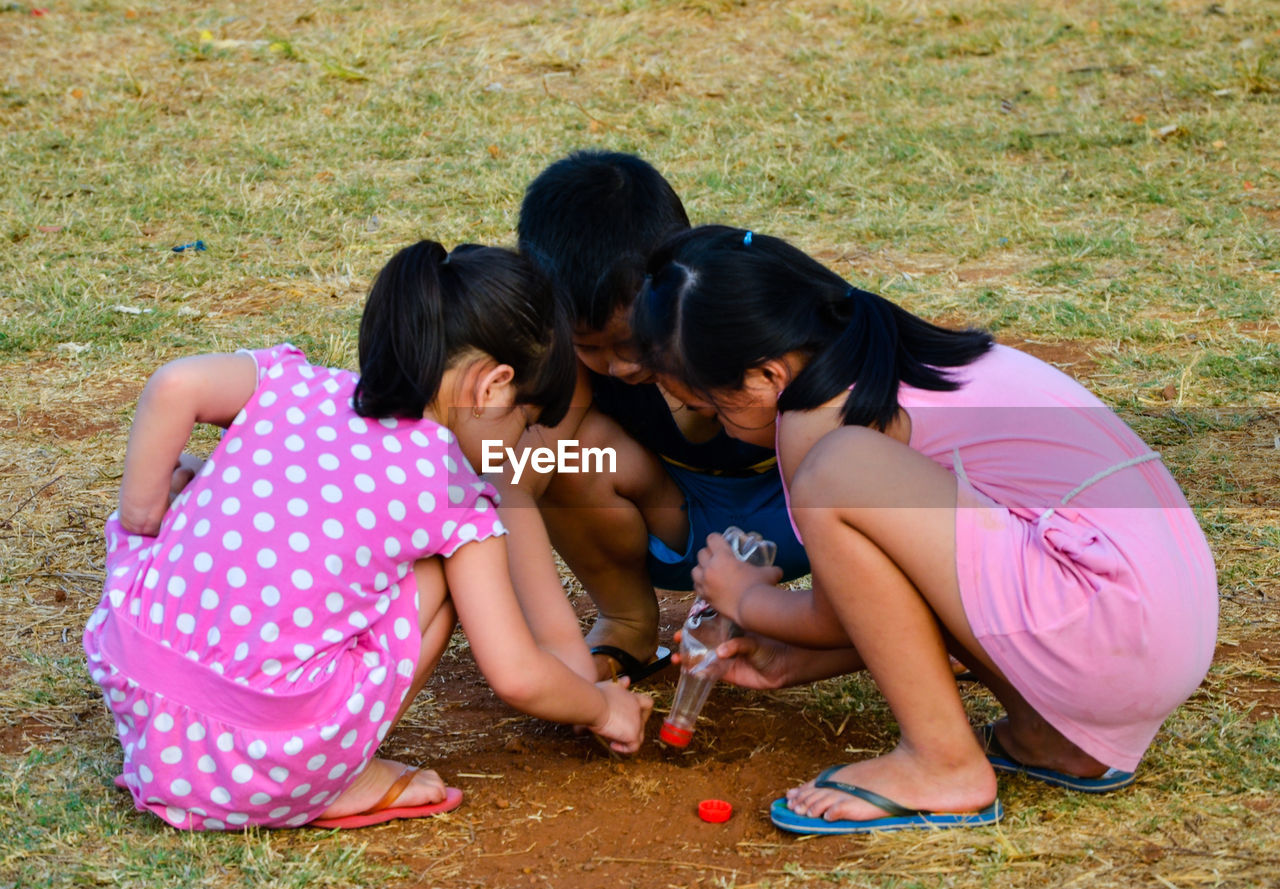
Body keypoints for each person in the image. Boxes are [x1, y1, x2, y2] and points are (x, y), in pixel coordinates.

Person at [633, 225, 1218, 835]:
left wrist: (744, 596)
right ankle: (1053, 740)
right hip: (1156, 630)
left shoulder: (821, 419)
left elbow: (834, 617)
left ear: (768, 377)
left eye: (710, 408)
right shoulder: (886, 352)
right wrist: (788, 663)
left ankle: (942, 764)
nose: (718, 430)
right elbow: (910, 588)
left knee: (840, 471)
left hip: (1109, 632)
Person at [83, 240, 653, 832]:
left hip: (142, 697)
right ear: (493, 386)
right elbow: (516, 674)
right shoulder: (457, 498)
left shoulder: (292, 383)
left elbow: (175, 385)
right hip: (266, 760)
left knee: (212, 484)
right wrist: (605, 708)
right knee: (445, 573)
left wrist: (142, 522)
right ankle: (341, 776)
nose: (521, 444)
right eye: (527, 422)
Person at [511, 150, 809, 682]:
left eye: (632, 339)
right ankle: (625, 621)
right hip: (684, 526)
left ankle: (900, 616)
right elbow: (526, 464)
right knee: (562, 451)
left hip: (803, 516)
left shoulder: (742, 320)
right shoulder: (571, 361)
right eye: (590, 346)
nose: (620, 365)